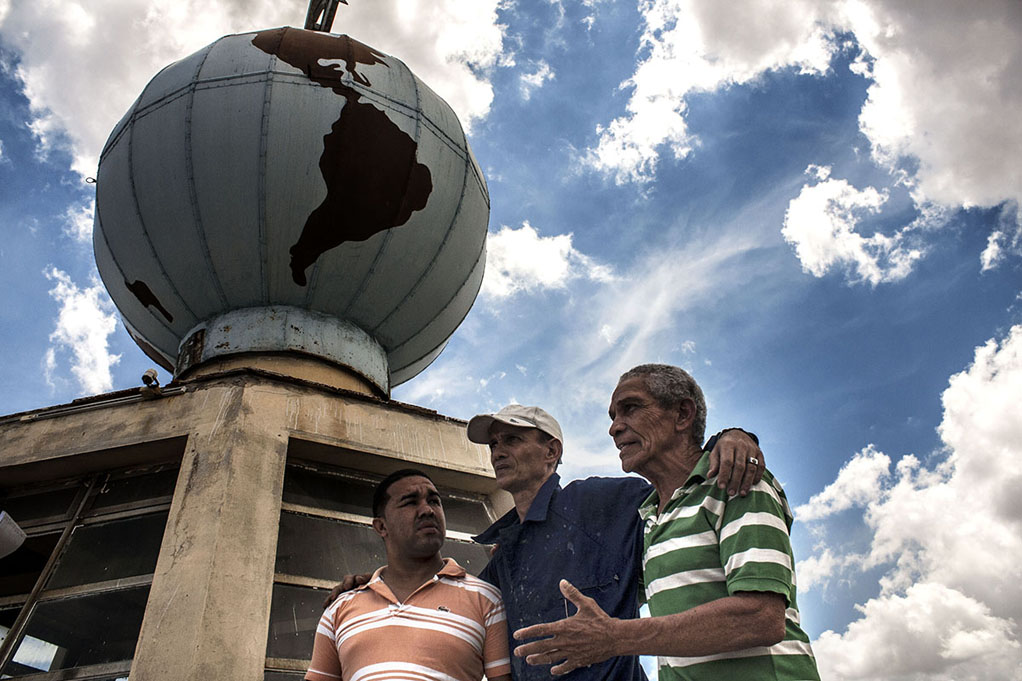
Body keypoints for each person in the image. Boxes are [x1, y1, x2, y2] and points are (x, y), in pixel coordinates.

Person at [512, 365, 820, 680]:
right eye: (613, 417)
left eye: (630, 408)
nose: (615, 428)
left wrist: (615, 638)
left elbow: (760, 617)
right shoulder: (648, 519)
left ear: (683, 414)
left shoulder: (737, 481)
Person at [466, 404, 763, 681]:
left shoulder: (598, 502)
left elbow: (678, 483)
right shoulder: (503, 553)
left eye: (512, 440)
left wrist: (730, 439)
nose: (498, 453)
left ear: (551, 451)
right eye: (494, 445)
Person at [305, 469, 512, 681]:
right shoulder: (340, 608)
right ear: (381, 526)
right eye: (410, 502)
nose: (427, 510)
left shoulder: (487, 600)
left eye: (434, 501)